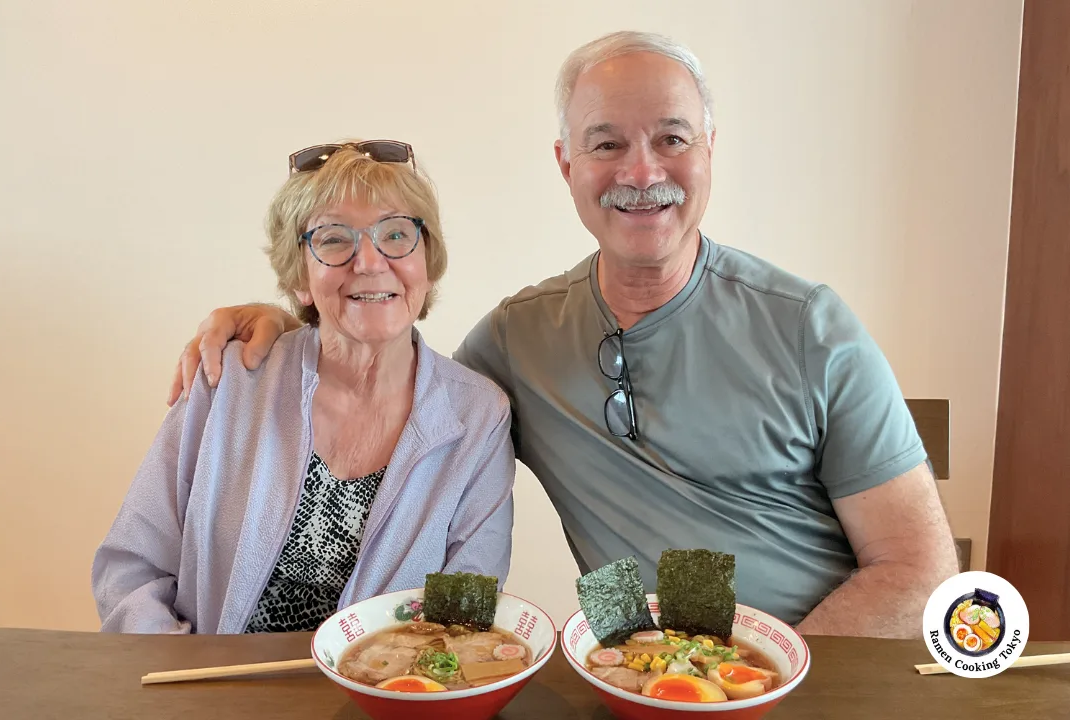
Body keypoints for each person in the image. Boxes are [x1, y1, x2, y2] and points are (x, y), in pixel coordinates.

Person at [166, 32, 959, 638]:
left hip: (817, 675)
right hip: (635, 673)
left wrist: (762, 685)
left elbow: (921, 572)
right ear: (566, 164)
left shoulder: (810, 326)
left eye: (673, 138)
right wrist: (287, 317)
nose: (639, 170)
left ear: (710, 151)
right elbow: (394, 365)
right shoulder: (518, 340)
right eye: (606, 142)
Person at [93, 140, 515, 634]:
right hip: (209, 696)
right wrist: (194, 690)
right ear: (299, 278)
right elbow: (131, 570)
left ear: (427, 261)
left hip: (384, 699)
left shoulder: (479, 416)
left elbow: (463, 614)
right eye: (335, 239)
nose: (370, 261)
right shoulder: (229, 380)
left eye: (397, 234)